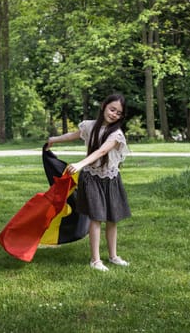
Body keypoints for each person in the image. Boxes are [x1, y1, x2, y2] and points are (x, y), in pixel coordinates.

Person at [46, 93, 131, 271]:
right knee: (96, 218)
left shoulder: (116, 135)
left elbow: (101, 151)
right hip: (91, 179)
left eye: (119, 113)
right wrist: (54, 140)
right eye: (112, 109)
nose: (114, 114)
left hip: (111, 179)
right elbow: (74, 135)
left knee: (112, 219)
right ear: (103, 106)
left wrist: (80, 164)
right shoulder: (90, 126)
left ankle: (113, 256)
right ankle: (95, 260)